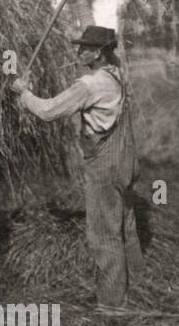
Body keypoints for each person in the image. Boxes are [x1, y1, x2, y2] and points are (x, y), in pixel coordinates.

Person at [11, 22, 145, 310]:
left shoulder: (90, 84)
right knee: (127, 224)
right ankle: (142, 284)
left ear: (98, 53)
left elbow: (48, 111)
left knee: (104, 233)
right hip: (127, 160)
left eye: (84, 48)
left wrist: (24, 93)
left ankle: (112, 305)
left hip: (105, 165)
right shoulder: (116, 74)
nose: (79, 52)